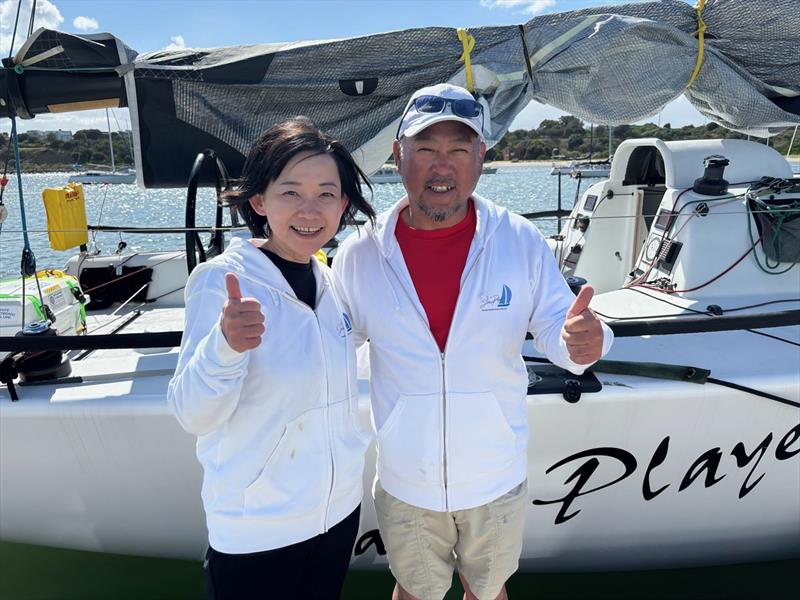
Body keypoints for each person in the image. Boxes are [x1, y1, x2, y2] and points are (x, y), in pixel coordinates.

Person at [333, 84, 613, 600]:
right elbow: (330, 349)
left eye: (459, 150)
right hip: (406, 478)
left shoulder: (520, 239)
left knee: (489, 591)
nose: (443, 166)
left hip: (495, 475)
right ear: (398, 157)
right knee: (413, 591)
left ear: (482, 157)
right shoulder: (358, 254)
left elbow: (558, 328)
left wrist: (585, 341)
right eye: (426, 150)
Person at [168, 118, 376, 599]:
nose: (310, 209)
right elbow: (191, 413)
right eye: (290, 192)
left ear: (343, 206)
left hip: (337, 517)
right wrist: (224, 346)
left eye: (327, 193)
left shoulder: (330, 283)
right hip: (256, 533)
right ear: (259, 201)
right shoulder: (221, 279)